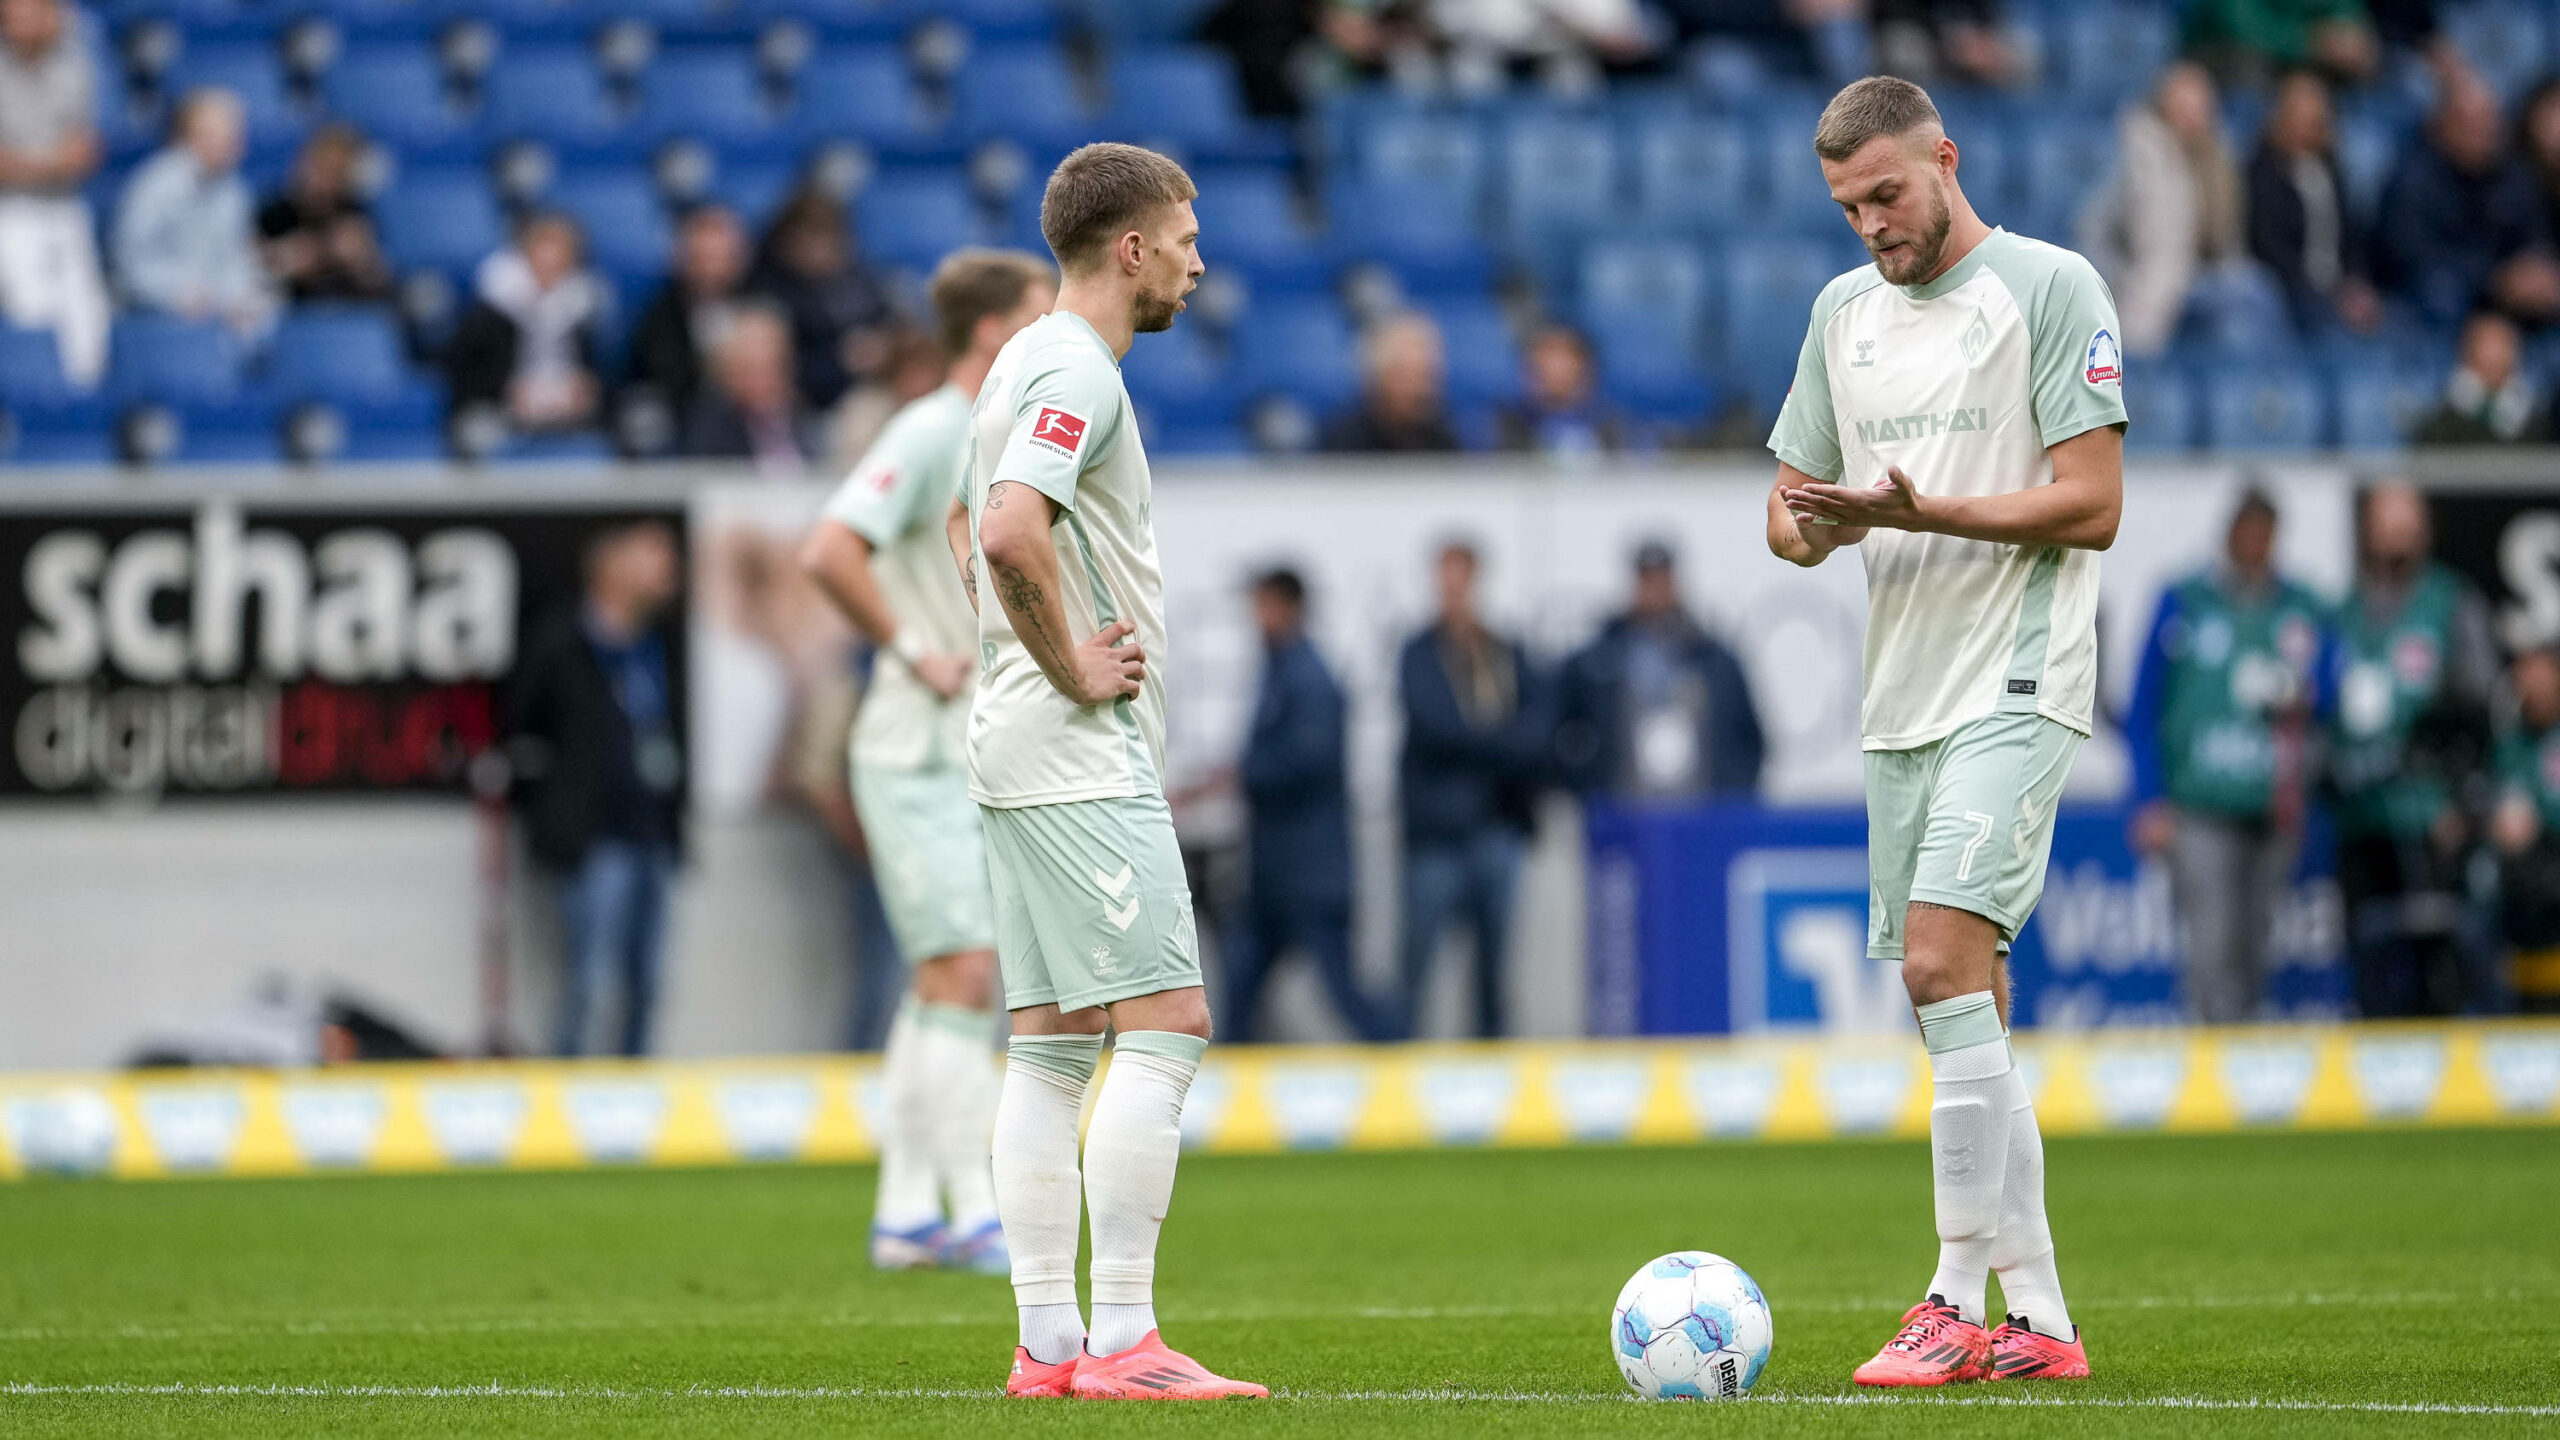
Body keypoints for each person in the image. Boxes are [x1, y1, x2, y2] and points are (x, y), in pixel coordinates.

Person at [1767, 76, 2125, 1386]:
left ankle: (1952, 1304)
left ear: (1946, 160)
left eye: (1887, 194)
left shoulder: (2050, 287)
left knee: (1931, 967)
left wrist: (1927, 515)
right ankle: (2040, 1324)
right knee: (1962, 1002)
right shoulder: (1839, 316)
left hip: (2016, 680)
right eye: (1848, 206)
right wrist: (1822, 522)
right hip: (1901, 699)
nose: (1870, 223)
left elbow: (2092, 503)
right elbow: (1785, 510)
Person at [962, 142, 1263, 1401]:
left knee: (1048, 1042)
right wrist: (1074, 669)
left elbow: (963, 531)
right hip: (1077, 753)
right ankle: (1127, 1341)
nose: (1199, 259)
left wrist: (1013, 660)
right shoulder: (1078, 368)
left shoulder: (1017, 362)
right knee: (1167, 1024)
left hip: (1012, 743)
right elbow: (1004, 527)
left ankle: (1047, 1348)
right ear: (1130, 247)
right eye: (1185, 236)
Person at [800, 247, 1056, 1275]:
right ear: (994, 331)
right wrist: (911, 645)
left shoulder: (982, 428)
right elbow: (827, 548)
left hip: (952, 749)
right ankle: (970, 1207)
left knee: (938, 983)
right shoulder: (936, 426)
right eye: (1037, 317)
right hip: (912, 749)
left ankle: (909, 1211)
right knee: (965, 973)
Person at [2125, 489, 2331, 1025]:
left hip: (2271, 806)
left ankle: (2245, 1068)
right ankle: (2213, 1069)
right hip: (2200, 806)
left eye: (2267, 535)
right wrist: (2148, 799)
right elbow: (2143, 706)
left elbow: (2331, 695)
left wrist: (2299, 694)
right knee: (2211, 943)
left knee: (2258, 943)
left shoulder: (2301, 608)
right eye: (2249, 532)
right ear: (2229, 533)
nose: (2257, 545)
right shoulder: (2185, 600)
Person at [2325, 482, 2506, 1019]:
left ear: (2424, 531)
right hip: (2361, 818)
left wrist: (2465, 798)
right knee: (2369, 957)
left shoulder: (2451, 603)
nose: (2397, 536)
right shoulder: (2342, 614)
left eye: (2407, 523)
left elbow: (2482, 710)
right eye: (2387, 523)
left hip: (2433, 820)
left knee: (2440, 957)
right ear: (2367, 532)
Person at [507, 520, 686, 1058]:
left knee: (647, 982)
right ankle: (567, 1100)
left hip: (652, 834)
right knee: (588, 980)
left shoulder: (657, 646)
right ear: (613, 566)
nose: (667, 570)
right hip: (593, 840)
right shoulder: (563, 642)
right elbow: (521, 731)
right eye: (653, 555)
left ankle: (634, 1102)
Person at [1223, 566, 1392, 1043]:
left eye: (1262, 606)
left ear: (1288, 607)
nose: (1255, 618)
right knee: (1241, 982)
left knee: (1342, 991)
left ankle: (1402, 1061)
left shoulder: (1310, 677)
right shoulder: (1280, 669)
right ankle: (1225, 1087)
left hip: (1311, 873)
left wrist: (1245, 773)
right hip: (1277, 871)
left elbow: (1307, 762)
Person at [1396, 538, 1550, 1040]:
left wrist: (1486, 740)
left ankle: (1492, 1074)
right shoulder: (1418, 654)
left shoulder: (1503, 650)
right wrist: (1496, 738)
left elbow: (1535, 734)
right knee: (1416, 969)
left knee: (1493, 972)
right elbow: (1435, 728)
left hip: (1495, 829)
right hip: (1436, 837)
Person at [1554, 540, 1765, 802]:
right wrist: (1589, 789)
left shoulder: (1716, 660)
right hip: (1624, 813)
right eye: (1646, 580)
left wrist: (1732, 800)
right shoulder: (1597, 660)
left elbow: (1750, 740)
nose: (1654, 591)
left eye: (1661, 580)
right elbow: (1560, 732)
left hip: (1702, 811)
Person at [2079, 61, 2247, 358]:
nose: (2192, 117)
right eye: (2183, 106)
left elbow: (2224, 233)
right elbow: (2093, 227)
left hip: (2206, 275)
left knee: (2252, 299)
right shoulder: (2134, 153)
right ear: (2163, 106)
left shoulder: (2218, 155)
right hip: (2141, 272)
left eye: (2200, 107)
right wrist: (2115, 276)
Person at [2375, 66, 2560, 328]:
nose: (2482, 133)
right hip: (2437, 299)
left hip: (2509, 302)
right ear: (2442, 125)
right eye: (2470, 123)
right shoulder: (2412, 178)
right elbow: (2410, 258)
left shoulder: (2513, 173)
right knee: (2441, 293)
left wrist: (2536, 273)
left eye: (2489, 123)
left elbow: (2535, 236)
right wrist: (2494, 279)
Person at [0, 0, 109, 388]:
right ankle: (38, 410)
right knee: (32, 311)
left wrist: (27, 163)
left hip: (66, 206)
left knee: (88, 317)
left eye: (34, 13)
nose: (24, 24)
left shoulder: (75, 63)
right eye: (15, 15)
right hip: (9, 210)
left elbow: (87, 150)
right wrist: (51, 161)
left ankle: (80, 415)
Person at [112, 87, 274, 339]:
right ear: (194, 136)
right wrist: (176, 293)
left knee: (264, 317)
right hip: (158, 317)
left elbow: (235, 260)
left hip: (216, 314)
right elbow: (129, 263)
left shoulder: (234, 191)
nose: (238, 144)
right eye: (228, 135)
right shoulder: (155, 185)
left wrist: (240, 296)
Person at [444, 211, 609, 436]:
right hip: (501, 417)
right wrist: (506, 392)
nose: (550, 260)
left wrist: (585, 389)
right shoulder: (493, 309)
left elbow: (599, 371)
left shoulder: (584, 305)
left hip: (568, 415)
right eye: (543, 248)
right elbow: (462, 372)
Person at [2246, 69, 2382, 335]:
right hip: (2290, 288)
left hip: (2337, 287)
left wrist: (2355, 283)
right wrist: (2321, 289)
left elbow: (2350, 237)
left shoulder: (2331, 171)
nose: (2306, 125)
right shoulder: (2262, 172)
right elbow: (2266, 243)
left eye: (2314, 117)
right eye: (2298, 116)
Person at [755, 188, 895, 412]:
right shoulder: (772, 295)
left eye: (828, 239)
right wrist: (843, 362)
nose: (820, 252)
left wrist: (882, 347)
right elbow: (786, 373)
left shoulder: (860, 277)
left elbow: (890, 324)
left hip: (873, 389)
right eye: (810, 240)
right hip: (810, 410)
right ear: (789, 243)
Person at [626, 203, 758, 425]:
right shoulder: (659, 319)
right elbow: (665, 383)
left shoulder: (761, 308)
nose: (710, 270)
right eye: (701, 258)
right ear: (681, 259)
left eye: (719, 258)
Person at [2490, 646, 2560, 1010]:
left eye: (2541, 675)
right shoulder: (2510, 745)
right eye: (2524, 675)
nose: (2531, 686)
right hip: (2524, 885)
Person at [256, 124, 393, 304]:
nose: (320, 179)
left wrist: (361, 260)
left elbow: (379, 282)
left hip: (347, 307)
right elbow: (251, 268)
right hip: (292, 308)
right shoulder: (274, 211)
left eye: (333, 172)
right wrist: (284, 260)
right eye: (317, 166)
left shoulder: (354, 214)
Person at [680, 303, 815, 471]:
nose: (763, 382)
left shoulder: (802, 414)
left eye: (771, 368)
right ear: (726, 373)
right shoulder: (710, 430)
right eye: (750, 370)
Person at [1321, 310, 1461, 453]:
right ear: (1379, 377)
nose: (1421, 389)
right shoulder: (1344, 440)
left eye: (1428, 375)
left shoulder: (1446, 436)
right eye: (1407, 375)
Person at [1496, 322, 1639, 455]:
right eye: (1547, 358)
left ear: (1584, 365)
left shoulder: (1610, 424)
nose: (1556, 367)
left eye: (1565, 357)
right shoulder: (1508, 423)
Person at [2415, 309, 2547, 445]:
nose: (2497, 355)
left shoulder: (2535, 418)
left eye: (2505, 343)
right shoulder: (2441, 417)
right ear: (2467, 350)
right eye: (2488, 344)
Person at [2184, 0, 2380, 86]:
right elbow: (2241, 25)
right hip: (2222, 57)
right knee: (2249, 69)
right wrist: (2309, 42)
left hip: (2312, 65)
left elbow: (2346, 13)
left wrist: (2349, 39)